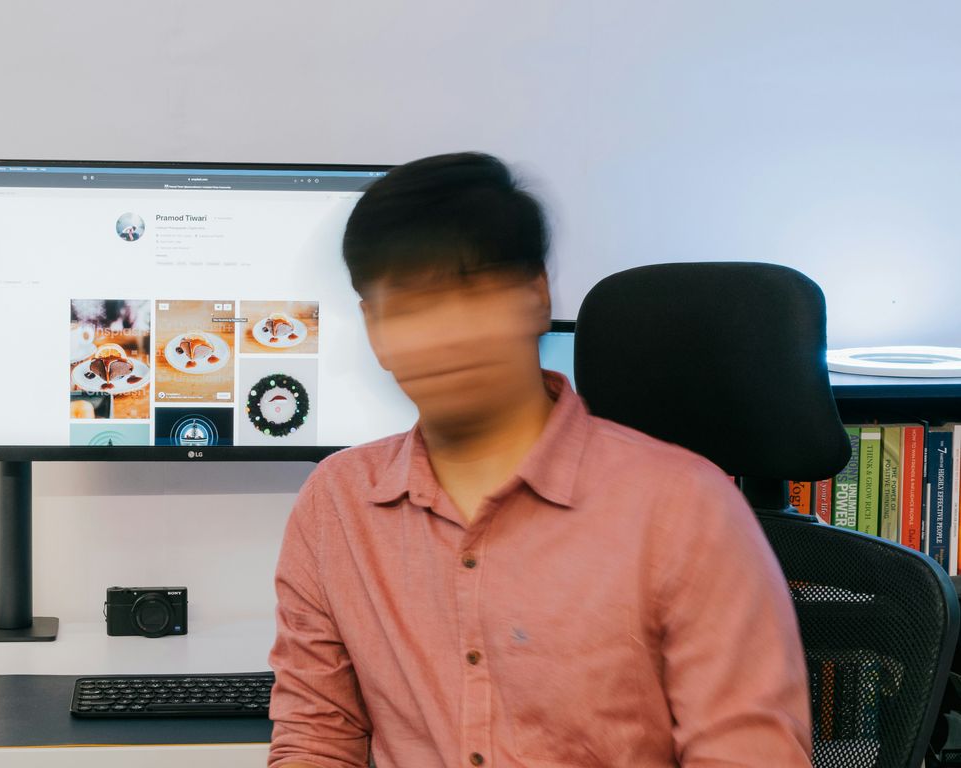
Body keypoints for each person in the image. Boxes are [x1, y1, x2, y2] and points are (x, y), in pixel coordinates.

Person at [267, 152, 811, 768]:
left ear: (534, 294)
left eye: (469, 293)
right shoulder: (337, 504)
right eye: (410, 306)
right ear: (374, 328)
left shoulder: (685, 509)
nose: (444, 335)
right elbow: (316, 737)